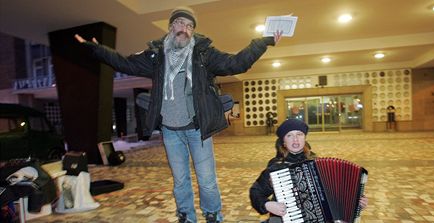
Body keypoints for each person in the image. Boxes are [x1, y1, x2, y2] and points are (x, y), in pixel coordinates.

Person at [75, 6, 282, 223]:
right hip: (170, 131)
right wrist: (97, 50)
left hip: (198, 130)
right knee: (180, 180)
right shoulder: (156, 56)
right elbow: (125, 64)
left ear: (193, 32)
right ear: (171, 27)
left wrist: (263, 42)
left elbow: (236, 63)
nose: (184, 28)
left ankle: (212, 214)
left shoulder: (204, 54)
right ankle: (186, 215)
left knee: (207, 180)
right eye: (180, 23)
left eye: (190, 26)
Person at [249, 119, 368, 223]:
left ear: (305, 138)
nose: (295, 139)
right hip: (284, 218)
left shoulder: (317, 163)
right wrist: (267, 205)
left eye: (299, 134)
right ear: (283, 142)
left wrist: (357, 202)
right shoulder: (276, 168)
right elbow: (256, 191)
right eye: (289, 135)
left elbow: (340, 194)